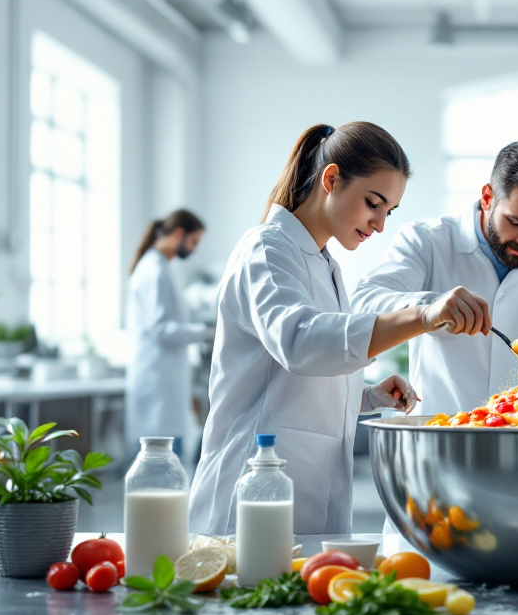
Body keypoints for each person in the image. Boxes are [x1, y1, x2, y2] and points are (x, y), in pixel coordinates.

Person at [188, 122, 487, 536]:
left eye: (388, 212)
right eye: (373, 203)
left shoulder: (326, 265)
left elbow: (298, 379)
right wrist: (421, 315)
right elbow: (299, 342)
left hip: (307, 488)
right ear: (332, 179)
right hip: (250, 492)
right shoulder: (266, 248)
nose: (380, 224)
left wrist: (365, 396)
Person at [352, 140, 518, 415]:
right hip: (440, 438)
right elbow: (364, 304)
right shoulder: (426, 241)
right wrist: (429, 309)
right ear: (487, 197)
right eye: (516, 223)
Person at [125, 209, 210, 465]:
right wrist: (205, 333)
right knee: (159, 463)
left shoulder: (161, 267)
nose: (193, 249)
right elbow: (160, 328)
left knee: (166, 458)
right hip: (157, 380)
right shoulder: (155, 270)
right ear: (178, 234)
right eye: (193, 242)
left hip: (164, 378)